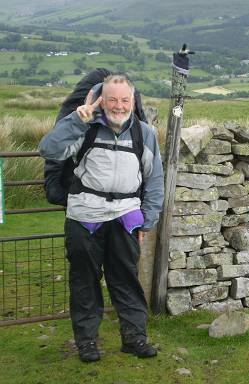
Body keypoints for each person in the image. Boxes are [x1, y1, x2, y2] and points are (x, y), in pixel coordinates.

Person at [39, 74, 164, 362]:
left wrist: (147, 220)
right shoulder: (84, 127)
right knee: (85, 281)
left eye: (124, 100)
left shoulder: (144, 133)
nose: (118, 106)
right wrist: (75, 121)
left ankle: (134, 338)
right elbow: (48, 149)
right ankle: (87, 343)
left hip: (125, 217)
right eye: (112, 100)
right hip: (85, 217)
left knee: (126, 279)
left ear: (133, 101)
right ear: (100, 100)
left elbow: (155, 179)